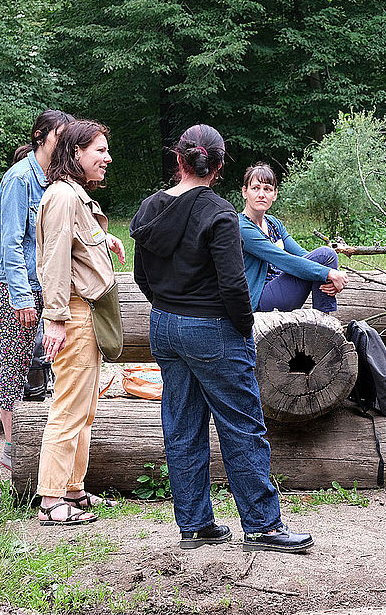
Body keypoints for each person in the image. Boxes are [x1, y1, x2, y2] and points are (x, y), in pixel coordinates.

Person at [130, 125, 313, 552]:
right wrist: (243, 327)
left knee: (182, 425)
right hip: (213, 328)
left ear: (179, 160)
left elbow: (142, 276)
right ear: (220, 166)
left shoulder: (149, 209)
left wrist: (167, 305)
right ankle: (264, 527)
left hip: (165, 326)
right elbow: (234, 286)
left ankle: (194, 524)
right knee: (242, 425)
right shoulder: (219, 213)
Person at [35, 119, 127, 526]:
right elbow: (53, 260)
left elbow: (74, 246)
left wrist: (103, 242)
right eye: (99, 150)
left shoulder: (76, 197)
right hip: (72, 313)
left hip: (86, 312)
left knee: (85, 408)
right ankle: (51, 499)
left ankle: (73, 489)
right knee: (69, 407)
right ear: (75, 154)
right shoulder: (62, 197)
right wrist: (55, 319)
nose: (107, 158)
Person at [0, 109, 74, 471]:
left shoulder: (59, 180)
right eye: (59, 137)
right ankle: (11, 450)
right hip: (14, 288)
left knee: (58, 362)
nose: (64, 145)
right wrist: (21, 299)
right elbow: (10, 243)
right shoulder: (19, 179)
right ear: (40, 136)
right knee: (16, 365)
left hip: (47, 286)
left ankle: (49, 443)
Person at [238, 162, 348, 313]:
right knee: (325, 254)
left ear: (275, 194)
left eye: (267, 189)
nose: (261, 194)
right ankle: (325, 319)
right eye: (255, 188)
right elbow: (283, 259)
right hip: (259, 300)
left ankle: (324, 321)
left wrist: (327, 273)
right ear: (245, 192)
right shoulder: (241, 227)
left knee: (326, 256)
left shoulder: (274, 223)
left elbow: (302, 255)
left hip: (280, 289)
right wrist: (328, 273)